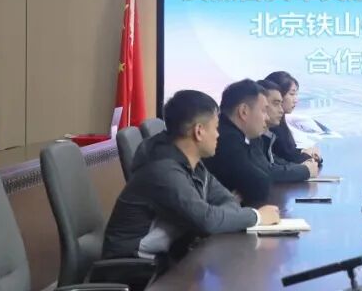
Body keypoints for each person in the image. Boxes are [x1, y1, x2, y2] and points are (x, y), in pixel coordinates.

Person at [102, 90, 280, 265]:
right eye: (215, 128)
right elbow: (207, 221)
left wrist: (217, 216)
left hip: (169, 259)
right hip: (135, 266)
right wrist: (257, 216)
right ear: (199, 131)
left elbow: (226, 200)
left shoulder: (193, 162)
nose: (218, 134)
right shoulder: (163, 170)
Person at [203, 79, 275, 206]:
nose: (267, 118)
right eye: (264, 111)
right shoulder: (226, 139)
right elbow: (260, 185)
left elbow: (265, 174)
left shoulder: (233, 133)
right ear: (243, 111)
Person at [259, 79, 320, 181]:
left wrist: (306, 166)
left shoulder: (263, 134)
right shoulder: (239, 138)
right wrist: (305, 169)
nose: (281, 110)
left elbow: (273, 160)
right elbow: (265, 171)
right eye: (291, 94)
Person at [264, 71, 321, 163]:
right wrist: (309, 155)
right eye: (291, 94)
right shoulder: (270, 125)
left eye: (296, 94)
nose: (296, 100)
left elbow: (289, 152)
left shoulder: (281, 120)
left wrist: (308, 153)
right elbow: (289, 157)